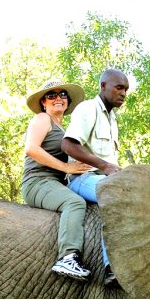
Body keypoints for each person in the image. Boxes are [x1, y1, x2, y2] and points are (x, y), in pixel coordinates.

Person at [62, 68, 129, 285]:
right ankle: (112, 267)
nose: (123, 93)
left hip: (101, 179)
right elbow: (68, 144)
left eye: (126, 89)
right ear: (103, 86)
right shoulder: (88, 109)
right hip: (82, 179)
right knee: (115, 194)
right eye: (119, 87)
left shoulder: (112, 119)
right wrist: (105, 166)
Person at [21, 80, 93, 281]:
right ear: (44, 102)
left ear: (68, 102)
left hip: (56, 183)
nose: (58, 98)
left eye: (62, 95)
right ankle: (68, 257)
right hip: (37, 182)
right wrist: (66, 168)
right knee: (74, 202)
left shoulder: (66, 130)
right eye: (51, 95)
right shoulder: (43, 119)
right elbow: (31, 149)